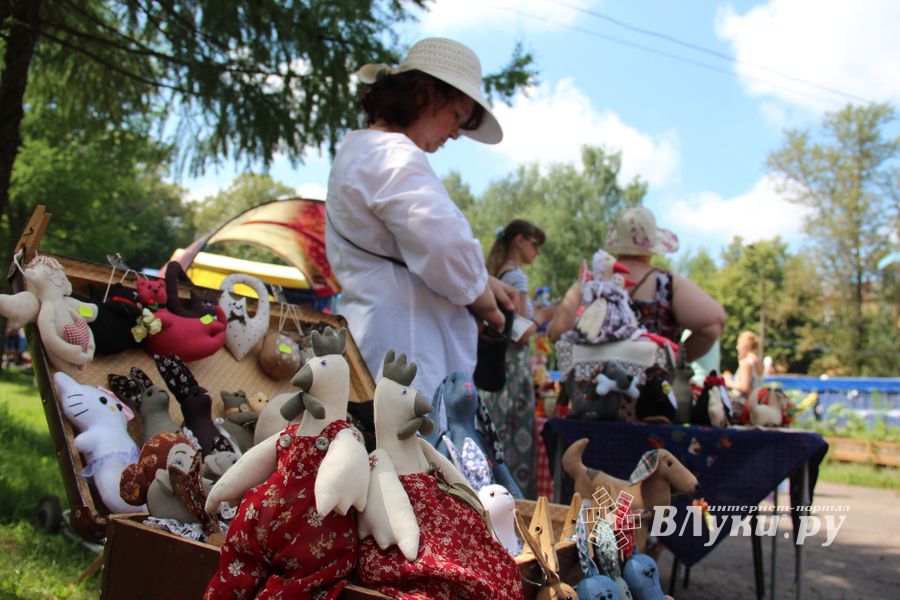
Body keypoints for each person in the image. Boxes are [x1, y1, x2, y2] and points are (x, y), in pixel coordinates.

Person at [324, 37, 516, 402]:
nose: (457, 133)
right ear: (424, 95)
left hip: (382, 344)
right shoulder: (390, 153)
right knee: (410, 456)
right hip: (405, 360)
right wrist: (484, 301)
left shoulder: (363, 151)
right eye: (457, 116)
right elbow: (444, 245)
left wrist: (482, 279)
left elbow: (409, 246)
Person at [550, 206, 725, 362]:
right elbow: (713, 322)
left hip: (591, 391)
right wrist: (676, 358)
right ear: (652, 249)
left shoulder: (590, 281)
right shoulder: (666, 283)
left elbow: (557, 333)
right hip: (653, 391)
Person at [480, 219, 545, 499]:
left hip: (498, 367)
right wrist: (544, 317)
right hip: (514, 371)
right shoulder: (516, 277)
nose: (537, 252)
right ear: (520, 240)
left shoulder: (499, 273)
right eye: (535, 244)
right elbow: (519, 331)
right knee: (516, 441)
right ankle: (517, 504)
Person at [723, 330, 763, 406]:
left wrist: (728, 381)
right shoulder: (757, 360)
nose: (737, 347)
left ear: (745, 345)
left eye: (739, 344)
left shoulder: (746, 362)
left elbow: (745, 387)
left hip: (744, 405)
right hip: (757, 402)